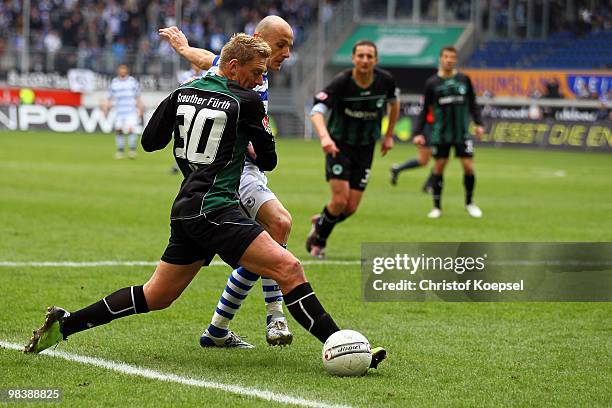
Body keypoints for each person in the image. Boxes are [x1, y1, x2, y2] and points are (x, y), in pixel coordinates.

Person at [23, 33, 386, 371]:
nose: (260, 81)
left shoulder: (182, 92)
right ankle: (344, 346)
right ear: (232, 67)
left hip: (187, 207)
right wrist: (251, 133)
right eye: (256, 73)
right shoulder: (245, 101)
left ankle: (64, 326)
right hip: (216, 207)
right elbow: (269, 160)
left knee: (157, 295)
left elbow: (150, 142)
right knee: (289, 268)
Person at [158, 16, 294, 348]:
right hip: (237, 169)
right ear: (259, 39)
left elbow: (210, 60)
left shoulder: (251, 70)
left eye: (290, 45)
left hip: (246, 170)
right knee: (279, 224)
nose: (287, 53)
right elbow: (215, 63)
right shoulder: (246, 75)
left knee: (264, 242)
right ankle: (276, 316)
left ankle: (218, 329)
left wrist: (185, 48)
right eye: (281, 45)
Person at [306, 40, 400, 258]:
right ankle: (318, 243)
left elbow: (394, 104)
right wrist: (325, 138)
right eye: (361, 56)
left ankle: (320, 220)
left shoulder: (385, 81)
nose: (365, 60)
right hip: (339, 147)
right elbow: (316, 111)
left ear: (375, 60)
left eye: (369, 56)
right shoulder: (342, 82)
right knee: (339, 200)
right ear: (353, 58)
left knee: (350, 208)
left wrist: (388, 136)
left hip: (366, 148)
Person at [412, 46, 484, 219]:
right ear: (440, 59)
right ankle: (436, 207)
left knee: (468, 167)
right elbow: (424, 110)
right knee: (439, 167)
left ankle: (469, 203)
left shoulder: (464, 79)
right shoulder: (432, 83)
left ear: (456, 60)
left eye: (452, 57)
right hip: (441, 133)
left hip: (462, 132)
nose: (449, 60)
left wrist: (478, 123)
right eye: (446, 57)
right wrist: (418, 132)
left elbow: (473, 103)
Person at [390, 103, 434, 193]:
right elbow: (424, 113)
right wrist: (418, 133)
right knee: (426, 161)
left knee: (438, 159)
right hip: (429, 128)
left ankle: (397, 169)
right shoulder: (432, 92)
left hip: (438, 127)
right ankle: (428, 185)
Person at [102, 64, 144, 159]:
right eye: (121, 69)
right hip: (119, 111)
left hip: (131, 110)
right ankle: (120, 151)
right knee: (119, 130)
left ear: (126, 71)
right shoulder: (114, 82)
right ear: (118, 71)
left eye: (124, 69)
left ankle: (132, 150)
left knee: (131, 129)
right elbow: (109, 97)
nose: (122, 71)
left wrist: (140, 109)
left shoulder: (132, 82)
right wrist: (105, 109)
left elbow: (137, 97)